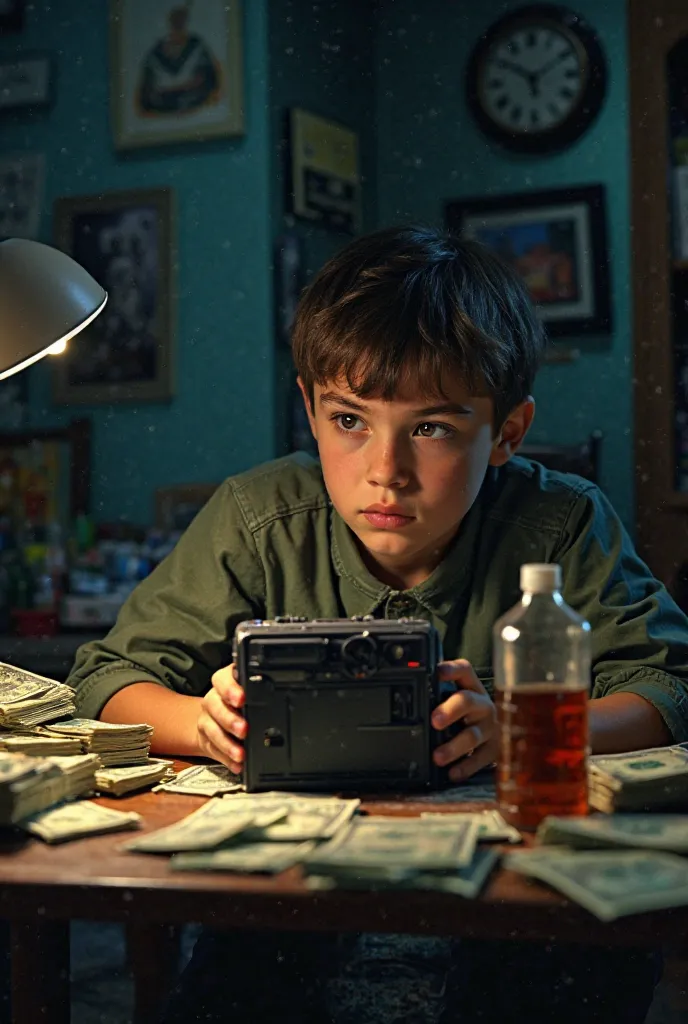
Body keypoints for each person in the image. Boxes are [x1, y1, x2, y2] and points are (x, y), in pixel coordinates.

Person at [67, 226, 681, 1023]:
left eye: (430, 428)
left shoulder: (562, 523)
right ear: (309, 411)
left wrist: (528, 730)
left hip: (513, 883)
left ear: (508, 433)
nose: (384, 470)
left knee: (559, 962)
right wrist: (202, 721)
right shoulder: (258, 517)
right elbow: (106, 682)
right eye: (350, 420)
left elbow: (668, 688)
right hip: (294, 883)